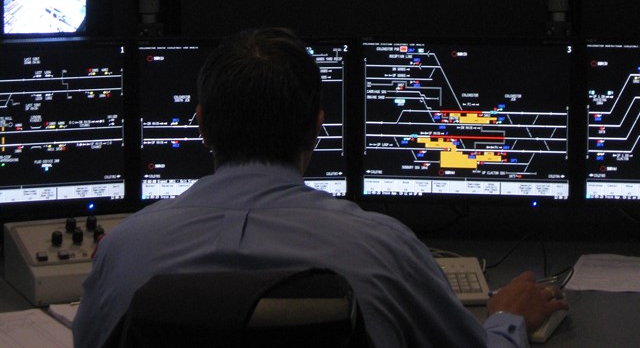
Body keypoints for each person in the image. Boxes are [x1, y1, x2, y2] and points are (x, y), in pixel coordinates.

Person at [72, 27, 568, 348]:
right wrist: (506, 320)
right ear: (317, 127)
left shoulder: (123, 250)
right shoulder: (383, 247)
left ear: (200, 126)